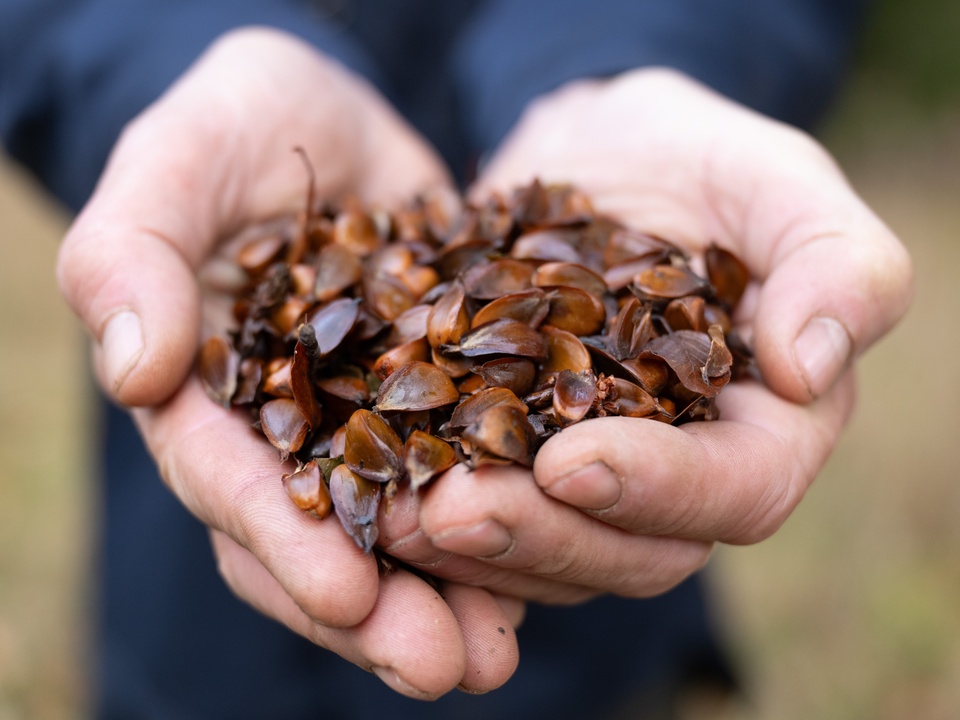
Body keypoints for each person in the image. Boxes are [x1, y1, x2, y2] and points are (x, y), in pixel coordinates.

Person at [0, 1, 913, 717]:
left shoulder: (575, 327)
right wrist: (171, 55)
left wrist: (631, 48)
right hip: (187, 628)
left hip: (588, 648)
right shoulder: (299, 335)